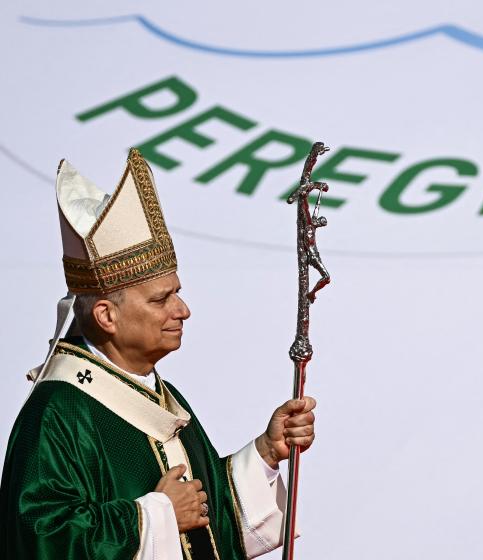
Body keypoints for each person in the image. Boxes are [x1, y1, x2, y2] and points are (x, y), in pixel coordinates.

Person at [0, 148, 316, 559]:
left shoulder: (161, 395)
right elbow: (39, 539)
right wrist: (156, 516)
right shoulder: (59, 412)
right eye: (161, 299)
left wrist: (266, 452)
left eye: (178, 294)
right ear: (106, 315)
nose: (182, 310)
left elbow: (207, 518)